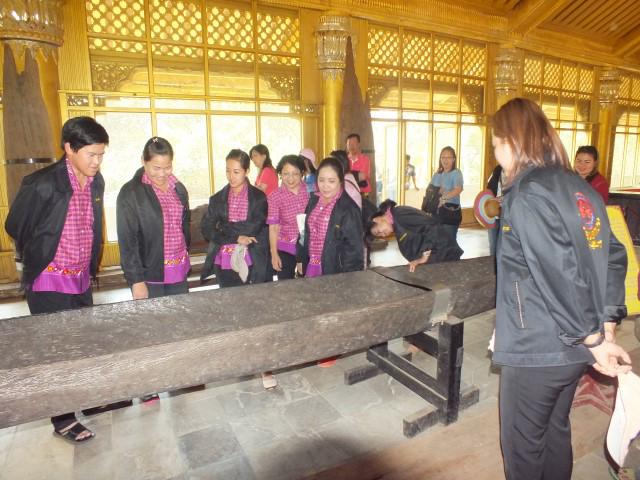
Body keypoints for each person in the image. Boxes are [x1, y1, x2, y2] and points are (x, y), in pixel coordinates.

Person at [491, 98, 632, 480]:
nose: (496, 154)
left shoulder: (527, 193)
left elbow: (558, 271)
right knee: (554, 429)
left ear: (512, 141)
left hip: (538, 347)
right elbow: (614, 255)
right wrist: (606, 324)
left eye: (496, 144)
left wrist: (593, 338)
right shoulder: (578, 187)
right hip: (573, 348)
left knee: (523, 447)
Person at [5, 116, 109, 443]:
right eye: (91, 154)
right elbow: (15, 225)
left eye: (101, 154)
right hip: (49, 280)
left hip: (80, 277)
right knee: (56, 351)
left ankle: (82, 399)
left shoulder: (96, 181)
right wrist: (41, 250)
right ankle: (62, 418)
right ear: (69, 149)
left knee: (82, 344)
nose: (97, 161)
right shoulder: (42, 184)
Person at [116, 137, 190, 403]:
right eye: (156, 167)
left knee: (178, 325)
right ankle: (148, 383)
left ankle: (180, 375)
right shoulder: (131, 193)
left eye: (167, 167)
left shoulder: (178, 187)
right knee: (150, 329)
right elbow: (128, 241)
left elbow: (183, 226)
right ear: (143, 162)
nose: (162, 173)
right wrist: (136, 280)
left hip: (177, 268)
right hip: (150, 272)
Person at [200, 149, 269, 288]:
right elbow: (207, 228)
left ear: (247, 171)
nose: (231, 176)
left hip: (252, 259)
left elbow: (253, 227)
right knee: (228, 299)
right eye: (228, 171)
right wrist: (236, 238)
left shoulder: (258, 198)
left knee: (251, 298)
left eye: (236, 172)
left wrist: (222, 227)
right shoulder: (217, 199)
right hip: (223, 260)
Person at [297, 157, 364, 277]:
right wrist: (300, 258)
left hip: (334, 271)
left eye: (331, 181)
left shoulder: (349, 210)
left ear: (340, 181)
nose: (325, 186)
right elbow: (304, 232)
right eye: (321, 180)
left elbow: (354, 251)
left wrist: (349, 280)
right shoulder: (314, 200)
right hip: (311, 265)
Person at [367, 199, 463, 272]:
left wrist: (424, 257)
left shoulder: (400, 214)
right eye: (379, 236)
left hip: (443, 255)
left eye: (378, 232)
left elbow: (431, 227)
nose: (383, 236)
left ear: (376, 220)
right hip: (438, 258)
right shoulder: (396, 221)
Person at [267, 154, 309, 280]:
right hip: (285, 247)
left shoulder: (310, 191)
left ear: (302, 173)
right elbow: (273, 228)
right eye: (286, 174)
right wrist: (274, 254)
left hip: (307, 245)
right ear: (280, 174)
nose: (290, 179)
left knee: (308, 283)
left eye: (295, 174)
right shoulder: (275, 196)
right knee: (285, 285)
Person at [428, 146, 464, 240]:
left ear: (453, 159)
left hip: (450, 213)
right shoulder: (437, 174)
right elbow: (430, 191)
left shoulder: (456, 173)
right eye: (443, 157)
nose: (445, 160)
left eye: (448, 157)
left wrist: (443, 198)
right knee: (436, 243)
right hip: (435, 213)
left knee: (449, 243)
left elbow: (458, 189)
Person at [486, 164, 504, 256]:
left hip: (506, 216)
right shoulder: (497, 170)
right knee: (493, 245)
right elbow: (488, 191)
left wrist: (504, 198)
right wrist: (492, 199)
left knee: (504, 245)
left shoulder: (517, 172)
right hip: (492, 216)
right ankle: (493, 263)